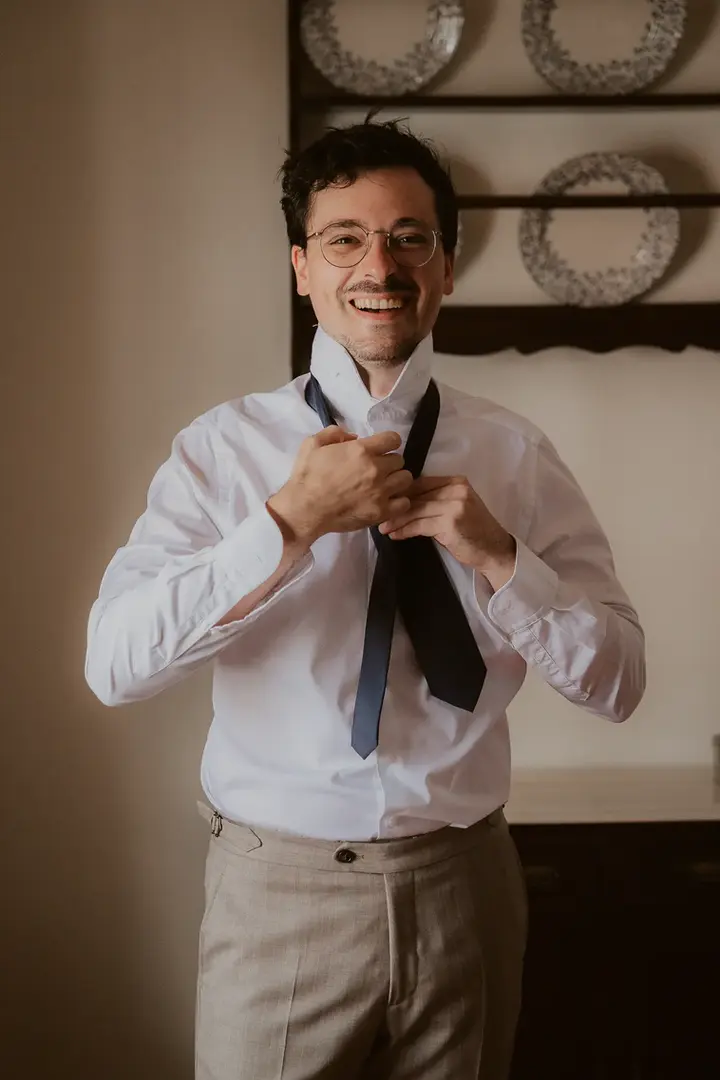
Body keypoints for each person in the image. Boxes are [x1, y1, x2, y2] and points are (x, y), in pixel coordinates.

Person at [85, 119, 646, 1080]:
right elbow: (114, 667)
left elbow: (621, 683)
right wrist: (286, 526)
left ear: (446, 267)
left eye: (409, 237)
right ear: (302, 268)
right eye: (345, 238)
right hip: (281, 896)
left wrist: (500, 557)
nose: (377, 264)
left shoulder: (514, 455)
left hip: (467, 886)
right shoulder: (221, 453)